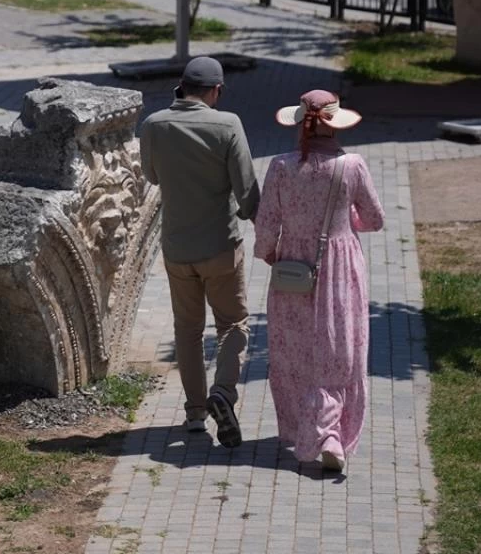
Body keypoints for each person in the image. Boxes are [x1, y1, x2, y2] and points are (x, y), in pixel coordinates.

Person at [253, 90, 384, 473]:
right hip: (341, 268)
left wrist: (271, 253)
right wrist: (346, 226)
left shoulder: (280, 166)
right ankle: (331, 435)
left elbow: (266, 227)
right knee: (339, 350)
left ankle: (308, 430)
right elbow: (374, 219)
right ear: (334, 123)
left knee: (295, 350)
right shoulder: (353, 166)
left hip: (293, 268)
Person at [139, 57, 260, 446]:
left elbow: (151, 175)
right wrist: (255, 218)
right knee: (233, 324)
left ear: (180, 86)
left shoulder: (154, 125)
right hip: (221, 245)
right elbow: (246, 190)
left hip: (177, 249)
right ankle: (222, 393)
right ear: (216, 91)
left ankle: (194, 414)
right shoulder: (228, 125)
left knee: (187, 331)